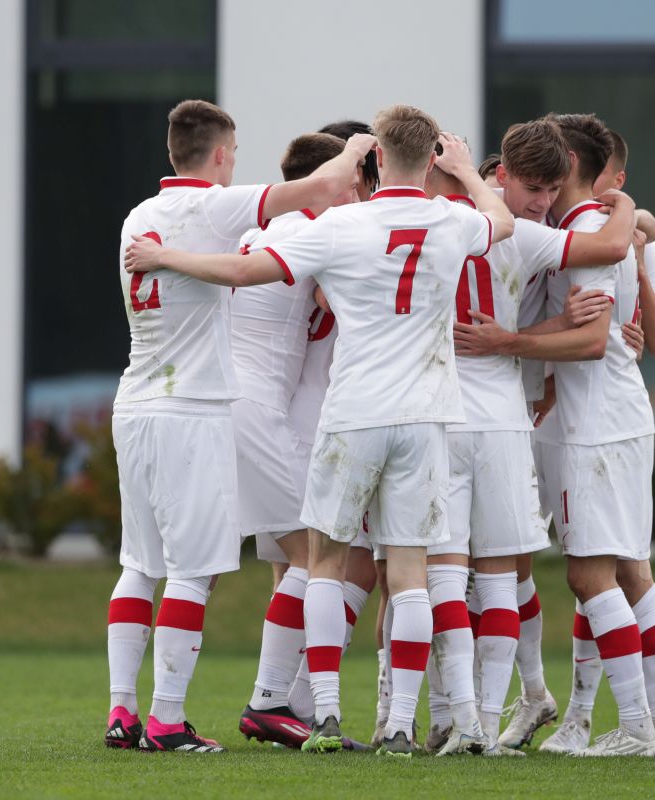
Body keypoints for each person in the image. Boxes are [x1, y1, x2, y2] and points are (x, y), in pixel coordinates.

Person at [125, 105, 515, 758]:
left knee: (325, 562)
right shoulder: (451, 220)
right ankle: (398, 725)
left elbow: (245, 270)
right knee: (409, 572)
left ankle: (325, 715)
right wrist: (469, 173)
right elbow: (501, 222)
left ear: (377, 158)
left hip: (352, 411)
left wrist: (167, 257)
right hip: (426, 413)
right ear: (431, 160)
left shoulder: (340, 225)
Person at [103, 99, 375, 755]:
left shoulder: (142, 215)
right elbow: (319, 215)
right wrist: (360, 149)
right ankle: (259, 703)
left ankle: (123, 710)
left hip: (144, 398)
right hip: (226, 405)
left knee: (149, 563)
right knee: (314, 554)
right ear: (222, 154)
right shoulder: (257, 218)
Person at [421, 119, 642, 757]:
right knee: (475, 577)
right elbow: (610, 247)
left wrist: (537, 330)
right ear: (500, 176)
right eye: (534, 189)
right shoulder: (518, 232)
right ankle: (455, 717)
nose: (543, 202)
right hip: (482, 414)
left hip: (473, 413)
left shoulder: (429, 222)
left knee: (467, 576)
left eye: (552, 190)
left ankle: (463, 721)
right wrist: (629, 207)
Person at [558, 128, 655, 758]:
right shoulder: (614, 228)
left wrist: (508, 342)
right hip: (618, 415)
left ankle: (639, 727)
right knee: (624, 572)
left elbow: (651, 342)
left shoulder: (607, 237)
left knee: (593, 573)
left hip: (598, 421)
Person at [230, 132, 363, 748]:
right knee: (316, 557)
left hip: (247, 407)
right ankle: (270, 702)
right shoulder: (307, 234)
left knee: (287, 563)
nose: (357, 198)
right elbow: (356, 300)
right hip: (257, 409)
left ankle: (283, 704)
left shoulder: (260, 230)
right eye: (352, 186)